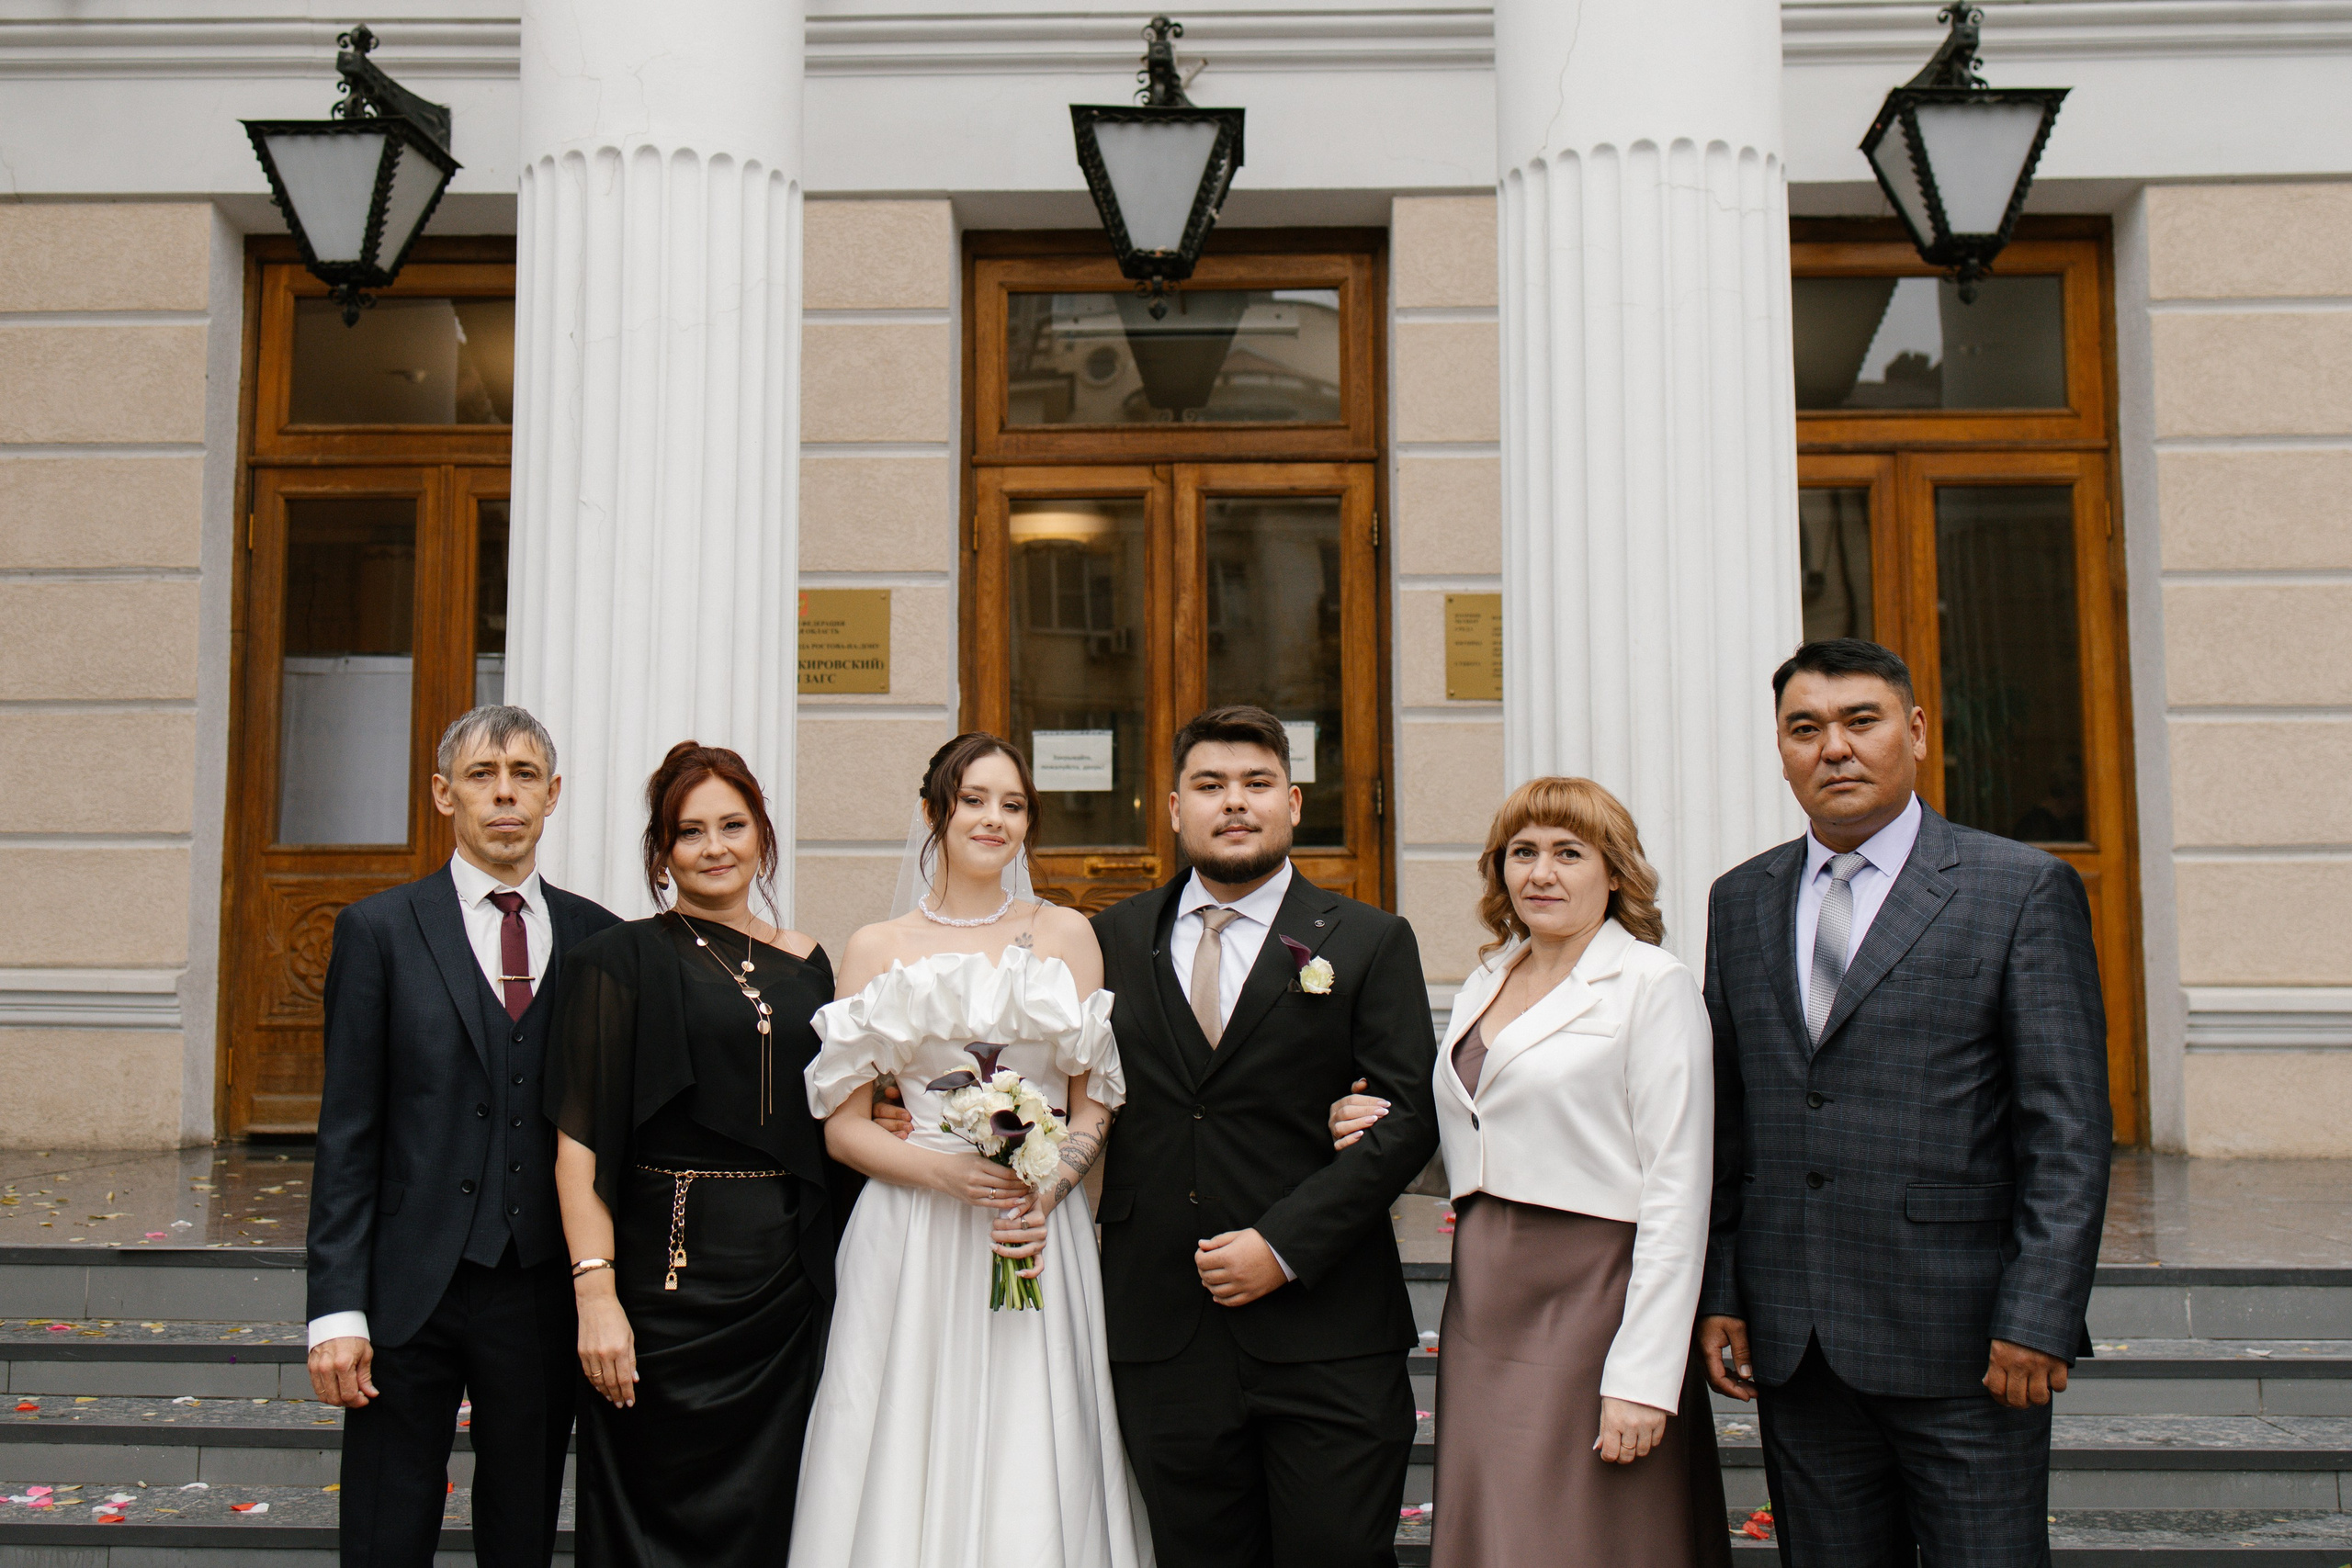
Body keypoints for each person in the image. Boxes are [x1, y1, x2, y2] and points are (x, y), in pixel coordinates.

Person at [1696, 638, 2111, 1564]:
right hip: (1796, 1341)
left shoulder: (2017, 889)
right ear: (1780, 747)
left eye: (1859, 721)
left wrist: (2038, 1314)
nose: (1832, 749)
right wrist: (1723, 1288)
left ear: (1915, 732)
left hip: (1966, 1342)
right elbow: (1730, 1120)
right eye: (1804, 729)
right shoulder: (1741, 900)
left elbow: (2068, 1129)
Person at [1331, 777, 1730, 1567]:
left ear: (1613, 873)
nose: (1541, 872)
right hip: (1487, 1294)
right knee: (1500, 1525)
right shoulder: (1488, 979)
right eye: (1523, 852)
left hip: (1595, 1293)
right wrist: (1385, 1130)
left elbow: (1680, 1190)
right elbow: (1485, 1132)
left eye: (1568, 853)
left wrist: (1646, 1375)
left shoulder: (1654, 984)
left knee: (1588, 1528)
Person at [790, 732, 1151, 1568]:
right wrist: (945, 1172)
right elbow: (843, 1128)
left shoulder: (1065, 934)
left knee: (1031, 1431)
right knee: (904, 1431)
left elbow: (1096, 1105)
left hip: (1029, 1232)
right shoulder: (876, 948)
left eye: (1014, 804)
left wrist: (1047, 1192)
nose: (995, 818)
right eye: (975, 799)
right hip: (912, 1229)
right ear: (934, 812)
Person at [1091, 705, 1440, 1568]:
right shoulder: (1110, 938)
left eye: (1255, 785)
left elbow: (1406, 1118)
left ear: (1292, 803)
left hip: (1326, 1327)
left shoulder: (1368, 940)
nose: (1233, 803)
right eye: (1210, 785)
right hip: (1163, 1332)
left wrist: (1281, 1246)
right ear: (1174, 809)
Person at [546, 742, 909, 1565]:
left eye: (733, 825)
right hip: (661, 1286)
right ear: (661, 850)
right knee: (645, 1503)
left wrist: (892, 1109)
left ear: (763, 834)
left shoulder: (810, 962)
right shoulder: (617, 959)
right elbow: (579, 1146)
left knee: (777, 1509)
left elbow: (827, 1111)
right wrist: (595, 1295)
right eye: (690, 831)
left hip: (786, 1286)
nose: (715, 847)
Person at [307, 705, 619, 1568]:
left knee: (521, 1529)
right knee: (385, 1525)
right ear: (445, 793)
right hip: (408, 1287)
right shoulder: (378, 931)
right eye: (483, 775)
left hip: (539, 1286)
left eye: (524, 775)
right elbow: (347, 1133)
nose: (505, 793)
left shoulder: (599, 938)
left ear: (552, 795)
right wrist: (336, 1306)